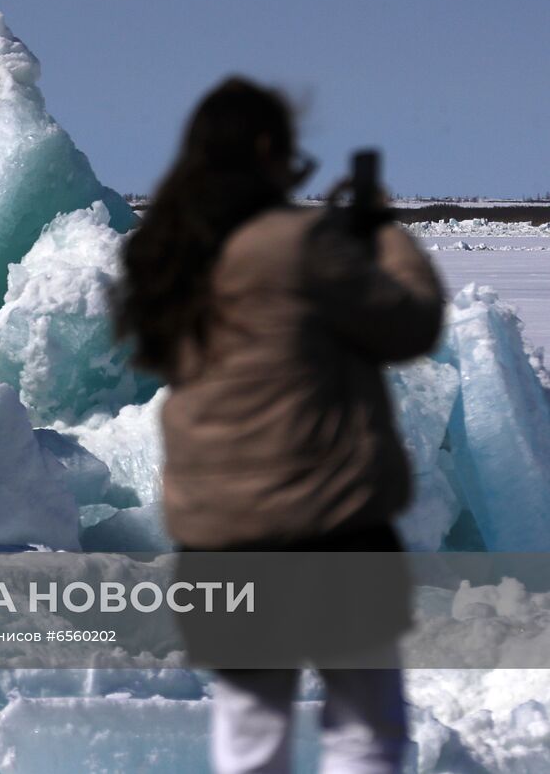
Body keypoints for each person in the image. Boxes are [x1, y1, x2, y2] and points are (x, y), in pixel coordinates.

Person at [112, 77, 444, 773]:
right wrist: (381, 236)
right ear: (268, 149)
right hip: (329, 529)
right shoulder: (294, 242)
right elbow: (408, 321)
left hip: (221, 542)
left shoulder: (171, 257)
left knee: (250, 737)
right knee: (363, 725)